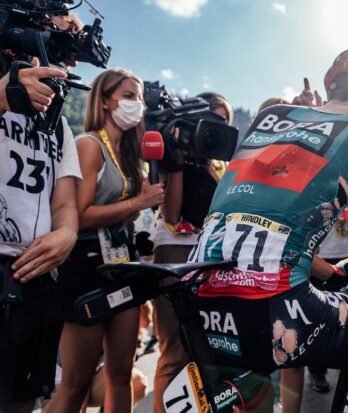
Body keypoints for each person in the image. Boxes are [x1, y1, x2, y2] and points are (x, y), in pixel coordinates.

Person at [187, 48, 348, 412]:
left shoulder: (272, 116)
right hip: (273, 306)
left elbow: (272, 232)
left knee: (253, 392)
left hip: (199, 295)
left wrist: (332, 272)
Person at [47, 68, 164, 413]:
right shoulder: (89, 145)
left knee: (121, 372)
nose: (137, 104)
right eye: (129, 96)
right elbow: (77, 216)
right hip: (84, 270)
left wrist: (139, 206)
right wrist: (137, 203)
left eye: (139, 98)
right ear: (106, 99)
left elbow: (121, 214)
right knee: (76, 383)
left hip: (123, 267)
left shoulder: (132, 157)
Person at [0, 58, 81, 412]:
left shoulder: (59, 122)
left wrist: (67, 233)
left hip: (36, 274)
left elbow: (63, 202)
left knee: (23, 400)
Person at [151, 92, 234, 413]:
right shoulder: (172, 156)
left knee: (211, 349)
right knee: (174, 353)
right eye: (212, 122)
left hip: (213, 257)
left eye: (223, 124)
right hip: (175, 254)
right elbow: (171, 215)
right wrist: (181, 158)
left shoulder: (219, 164)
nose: (216, 130)